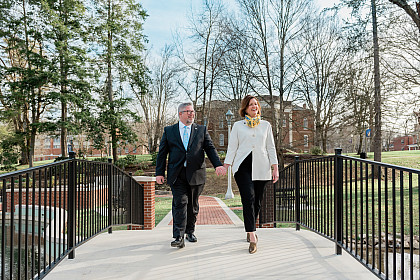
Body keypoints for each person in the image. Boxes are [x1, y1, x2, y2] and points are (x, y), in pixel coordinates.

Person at [156, 102, 226, 249]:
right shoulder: (169, 131)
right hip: (177, 174)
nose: (191, 114)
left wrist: (218, 164)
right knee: (180, 203)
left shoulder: (201, 130)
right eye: (188, 111)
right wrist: (159, 173)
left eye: (192, 111)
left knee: (192, 205)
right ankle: (178, 236)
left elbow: (210, 148)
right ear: (180, 113)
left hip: (196, 174)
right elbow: (162, 153)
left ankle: (190, 231)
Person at [223, 95, 279, 254]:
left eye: (256, 104)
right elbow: (232, 147)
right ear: (245, 108)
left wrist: (275, 168)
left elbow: (271, 148)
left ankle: (250, 227)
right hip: (242, 167)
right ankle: (252, 236)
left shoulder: (266, 125)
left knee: (257, 201)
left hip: (262, 167)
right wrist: (227, 164)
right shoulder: (238, 126)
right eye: (250, 104)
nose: (254, 106)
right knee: (248, 198)